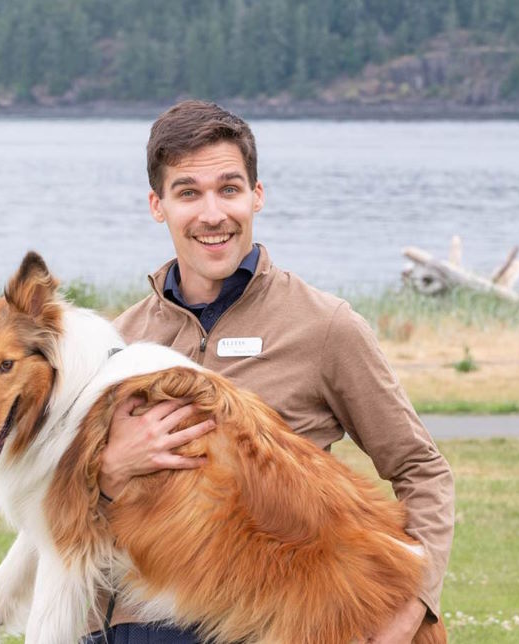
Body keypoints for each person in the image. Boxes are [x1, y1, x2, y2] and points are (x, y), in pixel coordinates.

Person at [84, 100, 454, 644]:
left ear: (257, 195)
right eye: (188, 192)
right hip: (141, 628)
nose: (213, 214)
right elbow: (71, 519)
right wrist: (111, 471)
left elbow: (422, 470)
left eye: (229, 189)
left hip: (278, 623)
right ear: (157, 205)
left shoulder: (325, 326)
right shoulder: (115, 345)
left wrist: (413, 609)